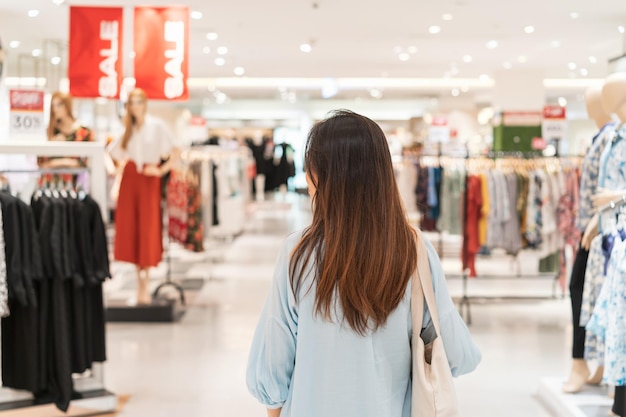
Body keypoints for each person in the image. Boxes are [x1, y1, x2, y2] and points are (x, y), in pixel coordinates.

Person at [246, 110, 480, 417]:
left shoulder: (298, 254)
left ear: (319, 176)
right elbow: (458, 355)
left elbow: (272, 372)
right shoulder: (414, 249)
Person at [107, 88, 180, 305]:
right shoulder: (127, 130)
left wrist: (160, 170)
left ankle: (145, 285)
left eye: (139, 102)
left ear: (145, 103)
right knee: (131, 228)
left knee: (148, 228)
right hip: (130, 178)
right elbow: (111, 153)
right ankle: (139, 284)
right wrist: (117, 171)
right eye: (132, 102)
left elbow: (176, 151)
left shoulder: (156, 126)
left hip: (149, 179)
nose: (135, 106)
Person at [38, 91, 94, 169]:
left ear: (67, 105)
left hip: (76, 179)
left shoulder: (84, 132)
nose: (55, 109)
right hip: (51, 178)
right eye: (53, 106)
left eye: (59, 105)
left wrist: (57, 163)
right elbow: (41, 162)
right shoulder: (50, 131)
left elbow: (86, 162)